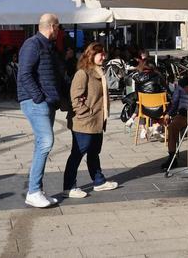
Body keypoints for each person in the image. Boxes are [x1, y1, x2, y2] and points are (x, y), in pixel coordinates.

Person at [17, 13, 68, 208]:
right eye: (59, 27)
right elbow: (24, 74)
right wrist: (39, 98)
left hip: (48, 102)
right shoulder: (33, 44)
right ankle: (33, 192)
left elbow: (55, 76)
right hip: (35, 101)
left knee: (41, 144)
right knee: (46, 141)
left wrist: (59, 99)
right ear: (52, 27)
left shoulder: (49, 47)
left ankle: (36, 189)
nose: (60, 31)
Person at [62, 43, 118, 198]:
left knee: (94, 152)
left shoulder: (99, 71)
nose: (104, 57)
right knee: (78, 153)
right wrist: (86, 113)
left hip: (97, 121)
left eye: (104, 54)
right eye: (100, 54)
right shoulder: (83, 73)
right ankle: (69, 186)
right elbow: (75, 98)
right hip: (84, 122)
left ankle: (99, 182)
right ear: (91, 55)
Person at [164, 78, 188, 168]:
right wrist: (168, 113)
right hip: (184, 114)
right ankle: (172, 156)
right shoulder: (182, 84)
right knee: (172, 127)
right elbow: (175, 101)